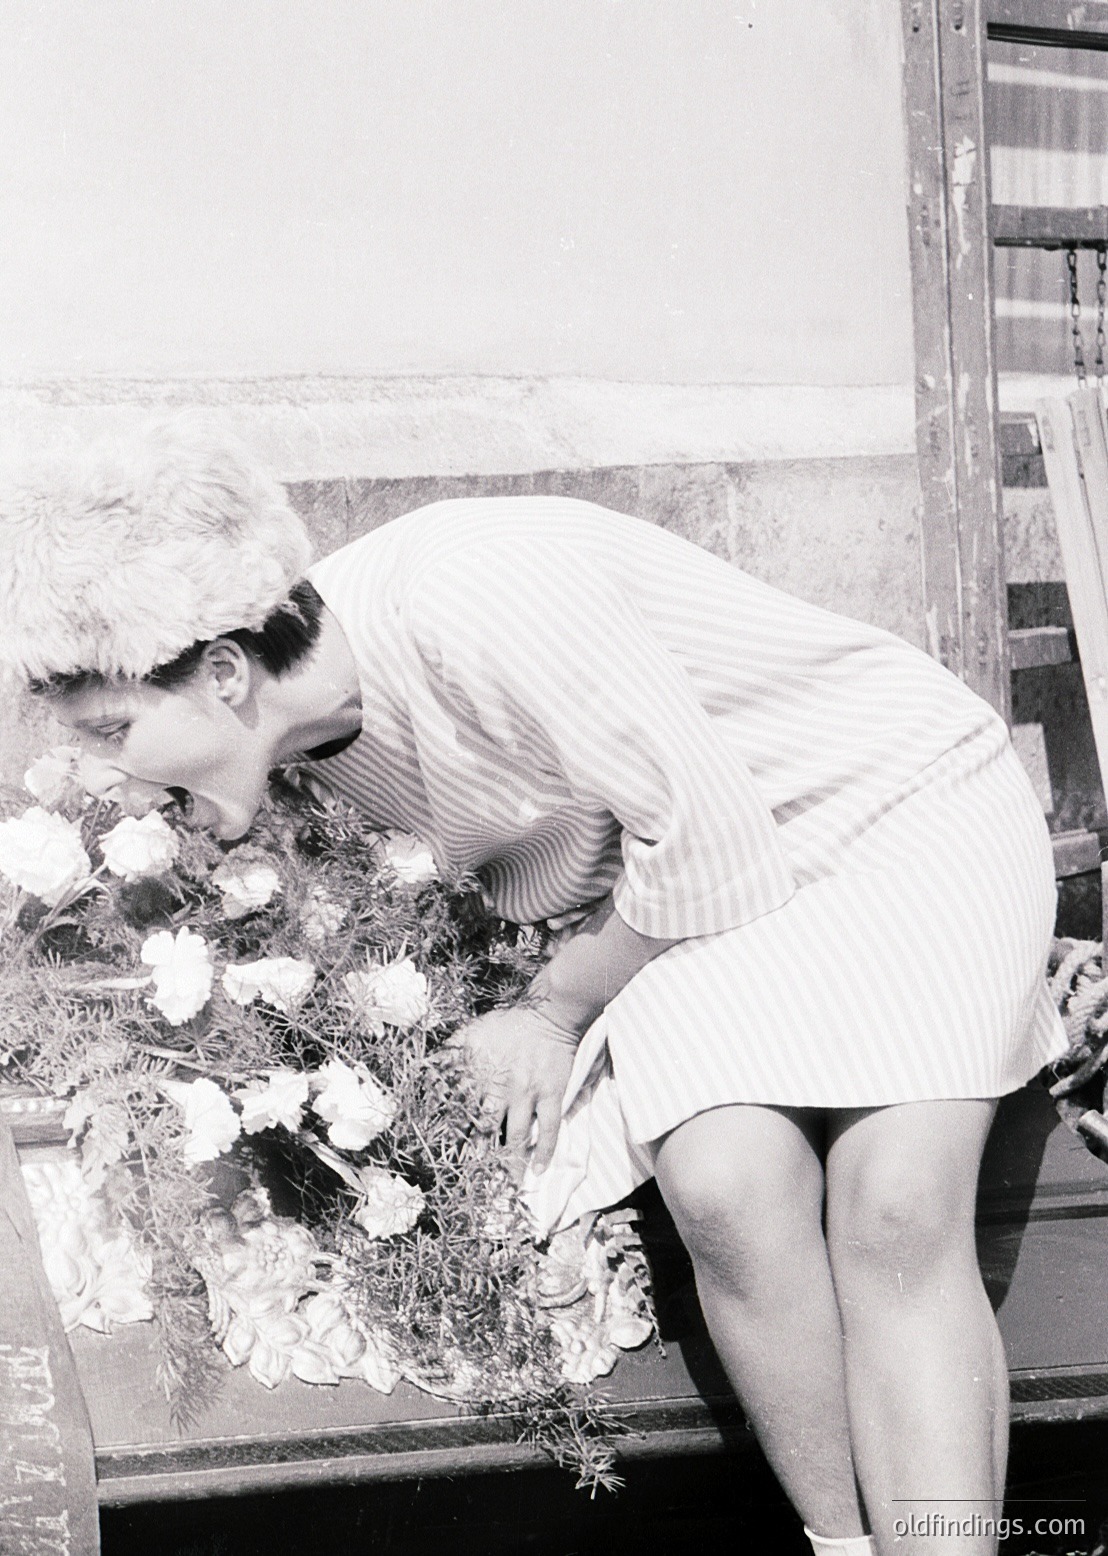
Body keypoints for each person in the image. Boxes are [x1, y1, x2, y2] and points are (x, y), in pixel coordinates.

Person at [0, 419, 1066, 1556]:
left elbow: (707, 836)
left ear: (222, 672)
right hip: (681, 899)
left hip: (889, 808)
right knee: (723, 1188)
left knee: (895, 1205)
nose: (116, 766)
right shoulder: (295, 738)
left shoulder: (475, 590)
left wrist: (553, 1011)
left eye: (117, 729)